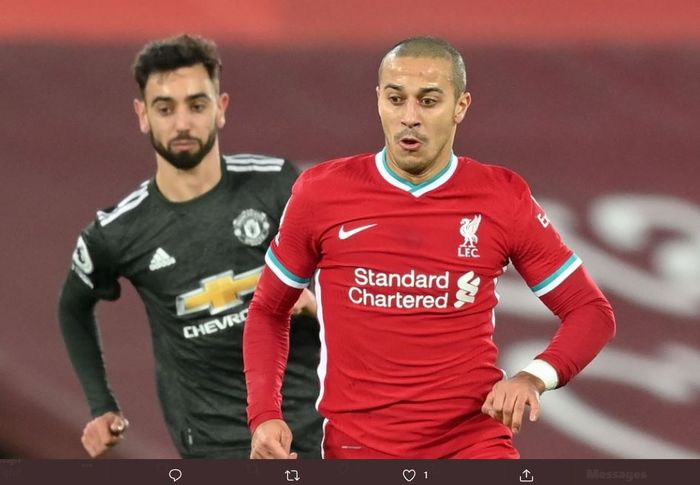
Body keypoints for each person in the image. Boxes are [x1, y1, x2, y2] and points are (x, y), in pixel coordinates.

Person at [243, 36, 616, 459]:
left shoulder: (501, 197)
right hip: (359, 449)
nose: (410, 117)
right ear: (378, 100)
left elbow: (591, 311)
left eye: (429, 101)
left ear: (461, 106)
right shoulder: (320, 194)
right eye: (396, 99)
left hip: (472, 446)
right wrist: (264, 415)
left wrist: (533, 377)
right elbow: (269, 310)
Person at [58, 34, 322, 459]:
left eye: (197, 105)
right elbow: (72, 307)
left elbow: (353, 270)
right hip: (215, 447)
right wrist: (101, 404)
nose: (181, 123)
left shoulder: (277, 185)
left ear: (221, 109)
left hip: (312, 429)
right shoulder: (119, 230)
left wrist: (319, 305)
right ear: (142, 115)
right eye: (165, 108)